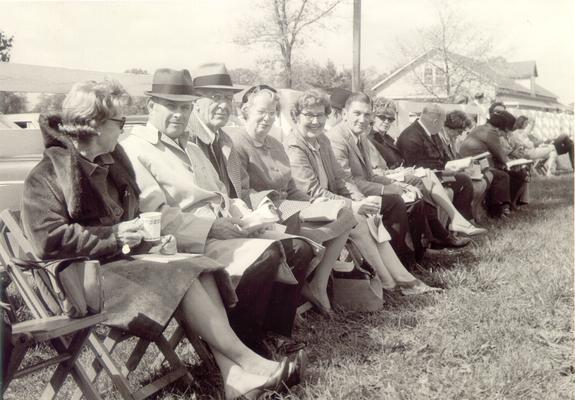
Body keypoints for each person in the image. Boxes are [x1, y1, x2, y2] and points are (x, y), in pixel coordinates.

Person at [21, 79, 297, 399]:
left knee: (198, 265)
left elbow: (128, 223)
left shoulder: (111, 166)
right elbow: (47, 240)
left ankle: (235, 378)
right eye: (119, 122)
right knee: (179, 271)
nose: (122, 130)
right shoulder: (47, 176)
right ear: (94, 125)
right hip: (83, 281)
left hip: (122, 263)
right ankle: (250, 362)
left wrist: (141, 236)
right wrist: (114, 234)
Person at [120, 69, 313, 358]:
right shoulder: (135, 150)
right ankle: (242, 344)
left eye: (184, 107)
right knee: (266, 257)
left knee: (298, 247)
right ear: (151, 107)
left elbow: (223, 194)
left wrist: (250, 218)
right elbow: (157, 215)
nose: (179, 114)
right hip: (184, 241)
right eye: (171, 106)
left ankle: (271, 332)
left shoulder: (190, 146)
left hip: (224, 229)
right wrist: (212, 228)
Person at [286, 90, 440, 295]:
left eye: (320, 115)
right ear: (297, 116)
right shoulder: (295, 145)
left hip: (329, 203)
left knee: (367, 214)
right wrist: (352, 204)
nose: (315, 121)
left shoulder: (321, 140)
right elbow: (311, 191)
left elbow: (341, 179)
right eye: (309, 115)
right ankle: (392, 282)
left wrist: (358, 199)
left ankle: (399, 279)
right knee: (358, 218)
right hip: (308, 207)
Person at [230, 86, 359, 314]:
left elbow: (291, 188)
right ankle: (294, 293)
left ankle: (317, 283)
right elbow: (241, 194)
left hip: (289, 206)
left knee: (344, 213)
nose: (267, 118)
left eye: (272, 112)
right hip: (265, 214)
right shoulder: (237, 143)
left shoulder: (275, 144)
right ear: (245, 111)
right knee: (312, 234)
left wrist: (314, 205)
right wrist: (279, 206)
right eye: (262, 112)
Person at [325, 93, 469, 264]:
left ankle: (417, 255)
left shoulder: (360, 136)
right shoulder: (337, 138)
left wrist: (397, 185)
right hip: (348, 195)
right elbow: (347, 182)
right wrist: (388, 190)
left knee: (414, 197)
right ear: (344, 114)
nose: (362, 119)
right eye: (357, 114)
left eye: (366, 115)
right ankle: (405, 260)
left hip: (366, 186)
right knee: (397, 201)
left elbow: (370, 175)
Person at [369, 99, 487, 233]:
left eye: (390, 119)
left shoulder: (387, 139)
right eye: (382, 117)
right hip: (396, 180)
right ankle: (446, 230)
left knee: (461, 180)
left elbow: (438, 157)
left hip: (411, 175)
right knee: (445, 184)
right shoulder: (372, 139)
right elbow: (381, 168)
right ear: (373, 117)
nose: (386, 121)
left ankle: (453, 226)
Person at [396, 104, 477, 227]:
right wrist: (445, 171)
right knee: (462, 181)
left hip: (438, 174)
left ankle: (458, 222)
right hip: (424, 180)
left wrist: (453, 166)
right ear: (435, 121)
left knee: (463, 179)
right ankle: (458, 223)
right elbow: (416, 167)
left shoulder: (431, 132)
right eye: (443, 122)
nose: (443, 126)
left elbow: (442, 157)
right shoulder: (410, 136)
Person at [459, 111, 517, 217]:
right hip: (475, 166)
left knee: (502, 172)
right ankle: (498, 210)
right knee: (503, 175)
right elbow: (502, 156)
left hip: (467, 163)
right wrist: (514, 162)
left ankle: (504, 207)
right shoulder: (491, 132)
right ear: (499, 128)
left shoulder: (480, 128)